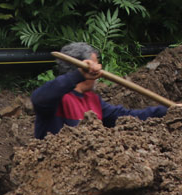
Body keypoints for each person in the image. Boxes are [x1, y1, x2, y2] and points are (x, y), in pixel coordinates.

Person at [30, 41, 172, 139]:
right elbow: (39, 98)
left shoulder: (92, 100)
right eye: (96, 64)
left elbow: (127, 116)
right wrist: (78, 75)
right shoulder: (57, 100)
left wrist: (168, 111)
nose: (100, 70)